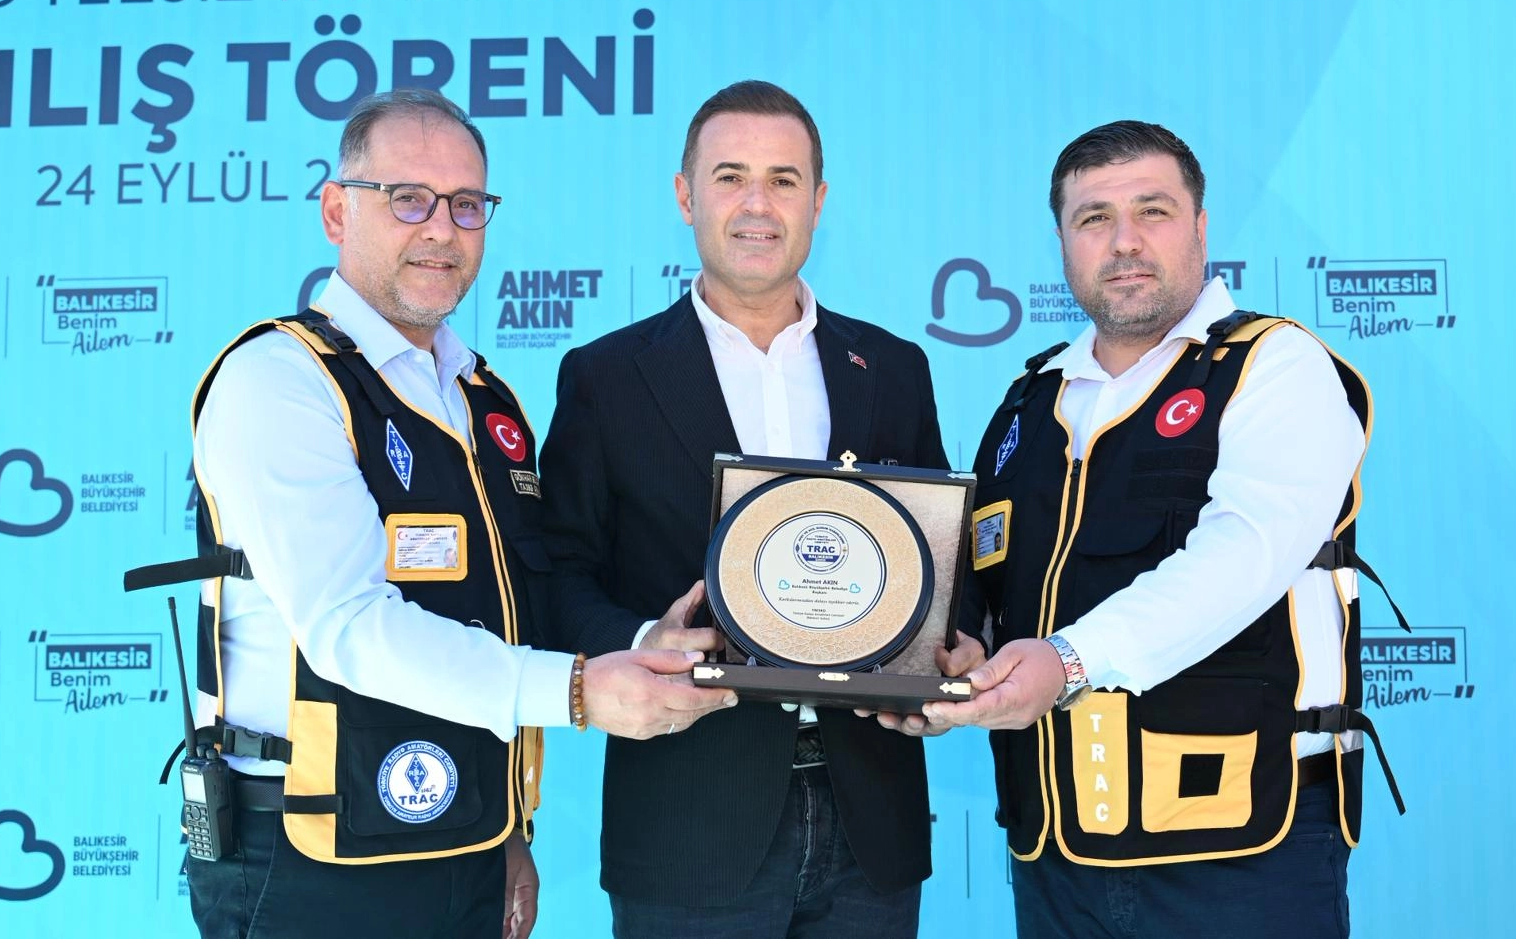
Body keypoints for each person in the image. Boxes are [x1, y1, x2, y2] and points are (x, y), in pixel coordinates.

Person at [144, 89, 734, 939]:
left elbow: (510, 608)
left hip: (466, 837)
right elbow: (348, 625)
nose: (442, 229)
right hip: (310, 854)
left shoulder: (485, 400)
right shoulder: (277, 378)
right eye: (408, 198)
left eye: (466, 205)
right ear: (337, 212)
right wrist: (575, 691)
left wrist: (511, 826)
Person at [924, 121, 1401, 938]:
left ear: (1201, 227)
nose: (1125, 242)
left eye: (1153, 211)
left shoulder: (1275, 367)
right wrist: (950, 660)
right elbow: (991, 587)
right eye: (1094, 218)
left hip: (1242, 857)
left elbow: (1244, 554)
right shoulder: (1029, 402)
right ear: (1062, 242)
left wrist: (1068, 661)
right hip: (1056, 859)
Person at [538, 80, 975, 937]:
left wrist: (955, 645)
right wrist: (643, 642)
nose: (757, 205)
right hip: (688, 818)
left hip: (872, 822)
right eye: (730, 176)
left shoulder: (894, 369)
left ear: (818, 201)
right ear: (685, 196)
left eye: (783, 179)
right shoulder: (606, 377)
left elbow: (941, 564)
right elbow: (557, 573)